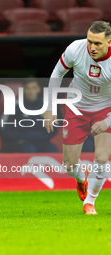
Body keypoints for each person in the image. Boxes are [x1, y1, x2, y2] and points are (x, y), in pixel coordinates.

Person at [44, 21, 111, 215]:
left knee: (101, 157)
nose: (92, 47)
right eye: (90, 41)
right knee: (70, 165)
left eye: (97, 43)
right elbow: (57, 74)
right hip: (76, 107)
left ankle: (89, 202)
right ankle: (81, 179)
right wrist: (50, 107)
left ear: (109, 42)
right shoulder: (75, 48)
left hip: (105, 109)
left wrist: (107, 121)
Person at [0, 78, 58, 153]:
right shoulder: (13, 105)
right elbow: (3, 128)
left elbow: (54, 127)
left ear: (38, 89)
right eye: (27, 88)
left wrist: (40, 136)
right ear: (23, 90)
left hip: (41, 140)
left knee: (52, 149)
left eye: (33, 88)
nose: (30, 91)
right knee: (28, 149)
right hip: (20, 141)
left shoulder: (47, 106)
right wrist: (19, 136)